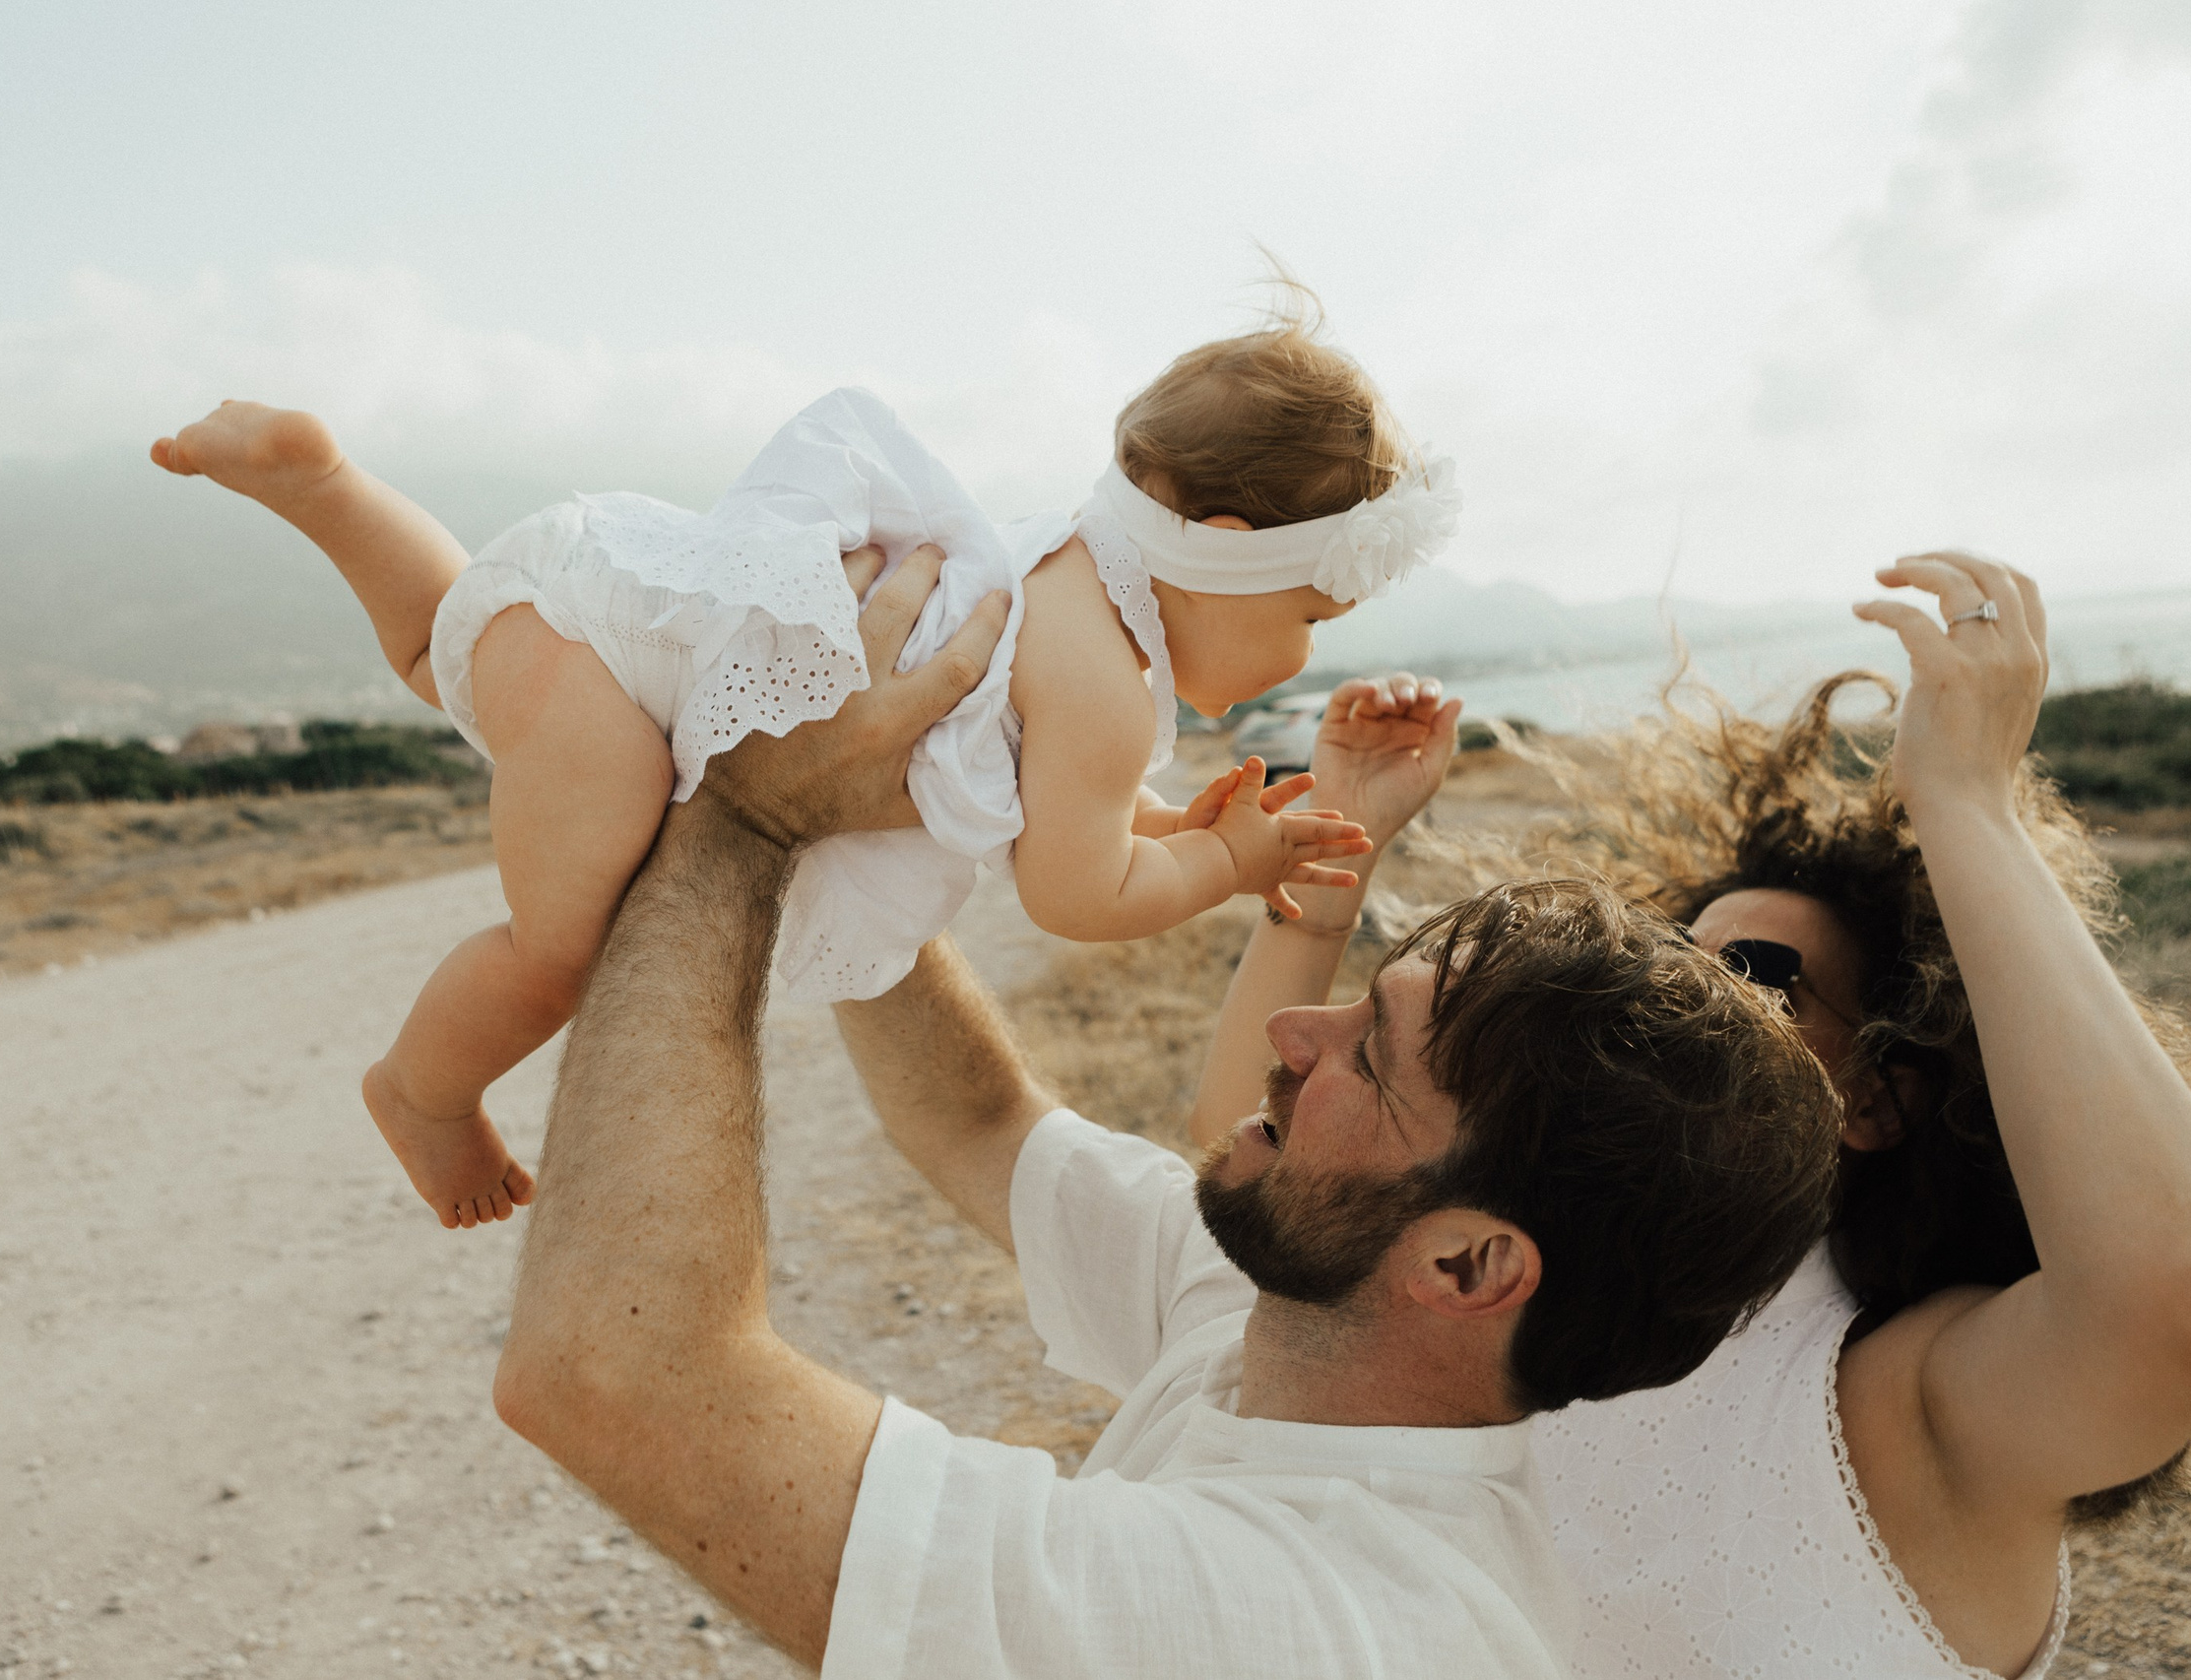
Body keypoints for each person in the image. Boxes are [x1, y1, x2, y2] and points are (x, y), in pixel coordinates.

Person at [486, 542, 1844, 1677]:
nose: (1294, 1035)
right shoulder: (1289, 1315)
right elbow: (982, 1123)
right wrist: (874, 805)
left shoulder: (1321, 1627)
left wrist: (747, 823)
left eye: (1368, 1061)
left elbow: (616, 1370)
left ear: (1469, 1265)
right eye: (1356, 1006)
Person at [148, 292, 1448, 1229]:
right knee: (564, 948)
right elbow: (1073, 890)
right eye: (1309, 617)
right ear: (1227, 548)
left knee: (457, 657)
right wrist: (1228, 861)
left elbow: (1054, 807)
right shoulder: (1106, 678)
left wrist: (1170, 826)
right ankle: (423, 1091)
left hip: (612, 610)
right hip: (619, 668)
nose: (1300, 655)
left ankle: (329, 489)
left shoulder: (1061, 566)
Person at [1187, 551, 2191, 1678]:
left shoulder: (1901, 1403)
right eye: (1672, 958)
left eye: (1754, 978)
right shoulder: (1538, 1274)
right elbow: (1266, 1152)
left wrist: (1968, 805)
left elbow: (2172, 1300)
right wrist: (1332, 856)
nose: (1684, 1003)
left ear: (1876, 1098)